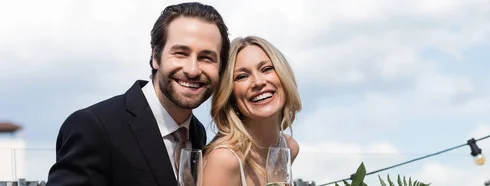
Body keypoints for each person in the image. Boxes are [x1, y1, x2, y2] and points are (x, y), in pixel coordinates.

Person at [46, 2, 230, 186]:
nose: (193, 70)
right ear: (155, 57)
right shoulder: (94, 127)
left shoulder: (197, 133)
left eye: (206, 57)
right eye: (181, 53)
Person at [202, 36, 302, 186]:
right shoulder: (224, 160)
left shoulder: (288, 147)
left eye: (267, 69)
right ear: (230, 95)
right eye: (242, 76)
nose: (258, 82)